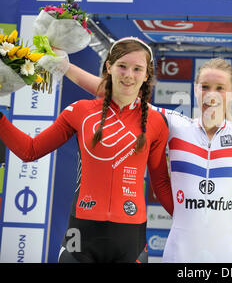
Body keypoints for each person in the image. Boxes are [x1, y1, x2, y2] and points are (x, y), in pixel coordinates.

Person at [65, 57, 232, 262]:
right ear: (195, 89)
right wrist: (64, 65)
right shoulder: (176, 124)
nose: (212, 94)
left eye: (220, 88)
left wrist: (228, 213)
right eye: (205, 87)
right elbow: (119, 94)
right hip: (180, 252)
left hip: (226, 254)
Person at [0, 37, 173, 263]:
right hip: (81, 235)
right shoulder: (80, 111)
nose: (129, 75)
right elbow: (30, 151)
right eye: (122, 66)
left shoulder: (157, 121)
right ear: (109, 67)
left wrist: (190, 219)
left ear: (146, 74)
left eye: (137, 69)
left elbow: (160, 183)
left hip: (131, 238)